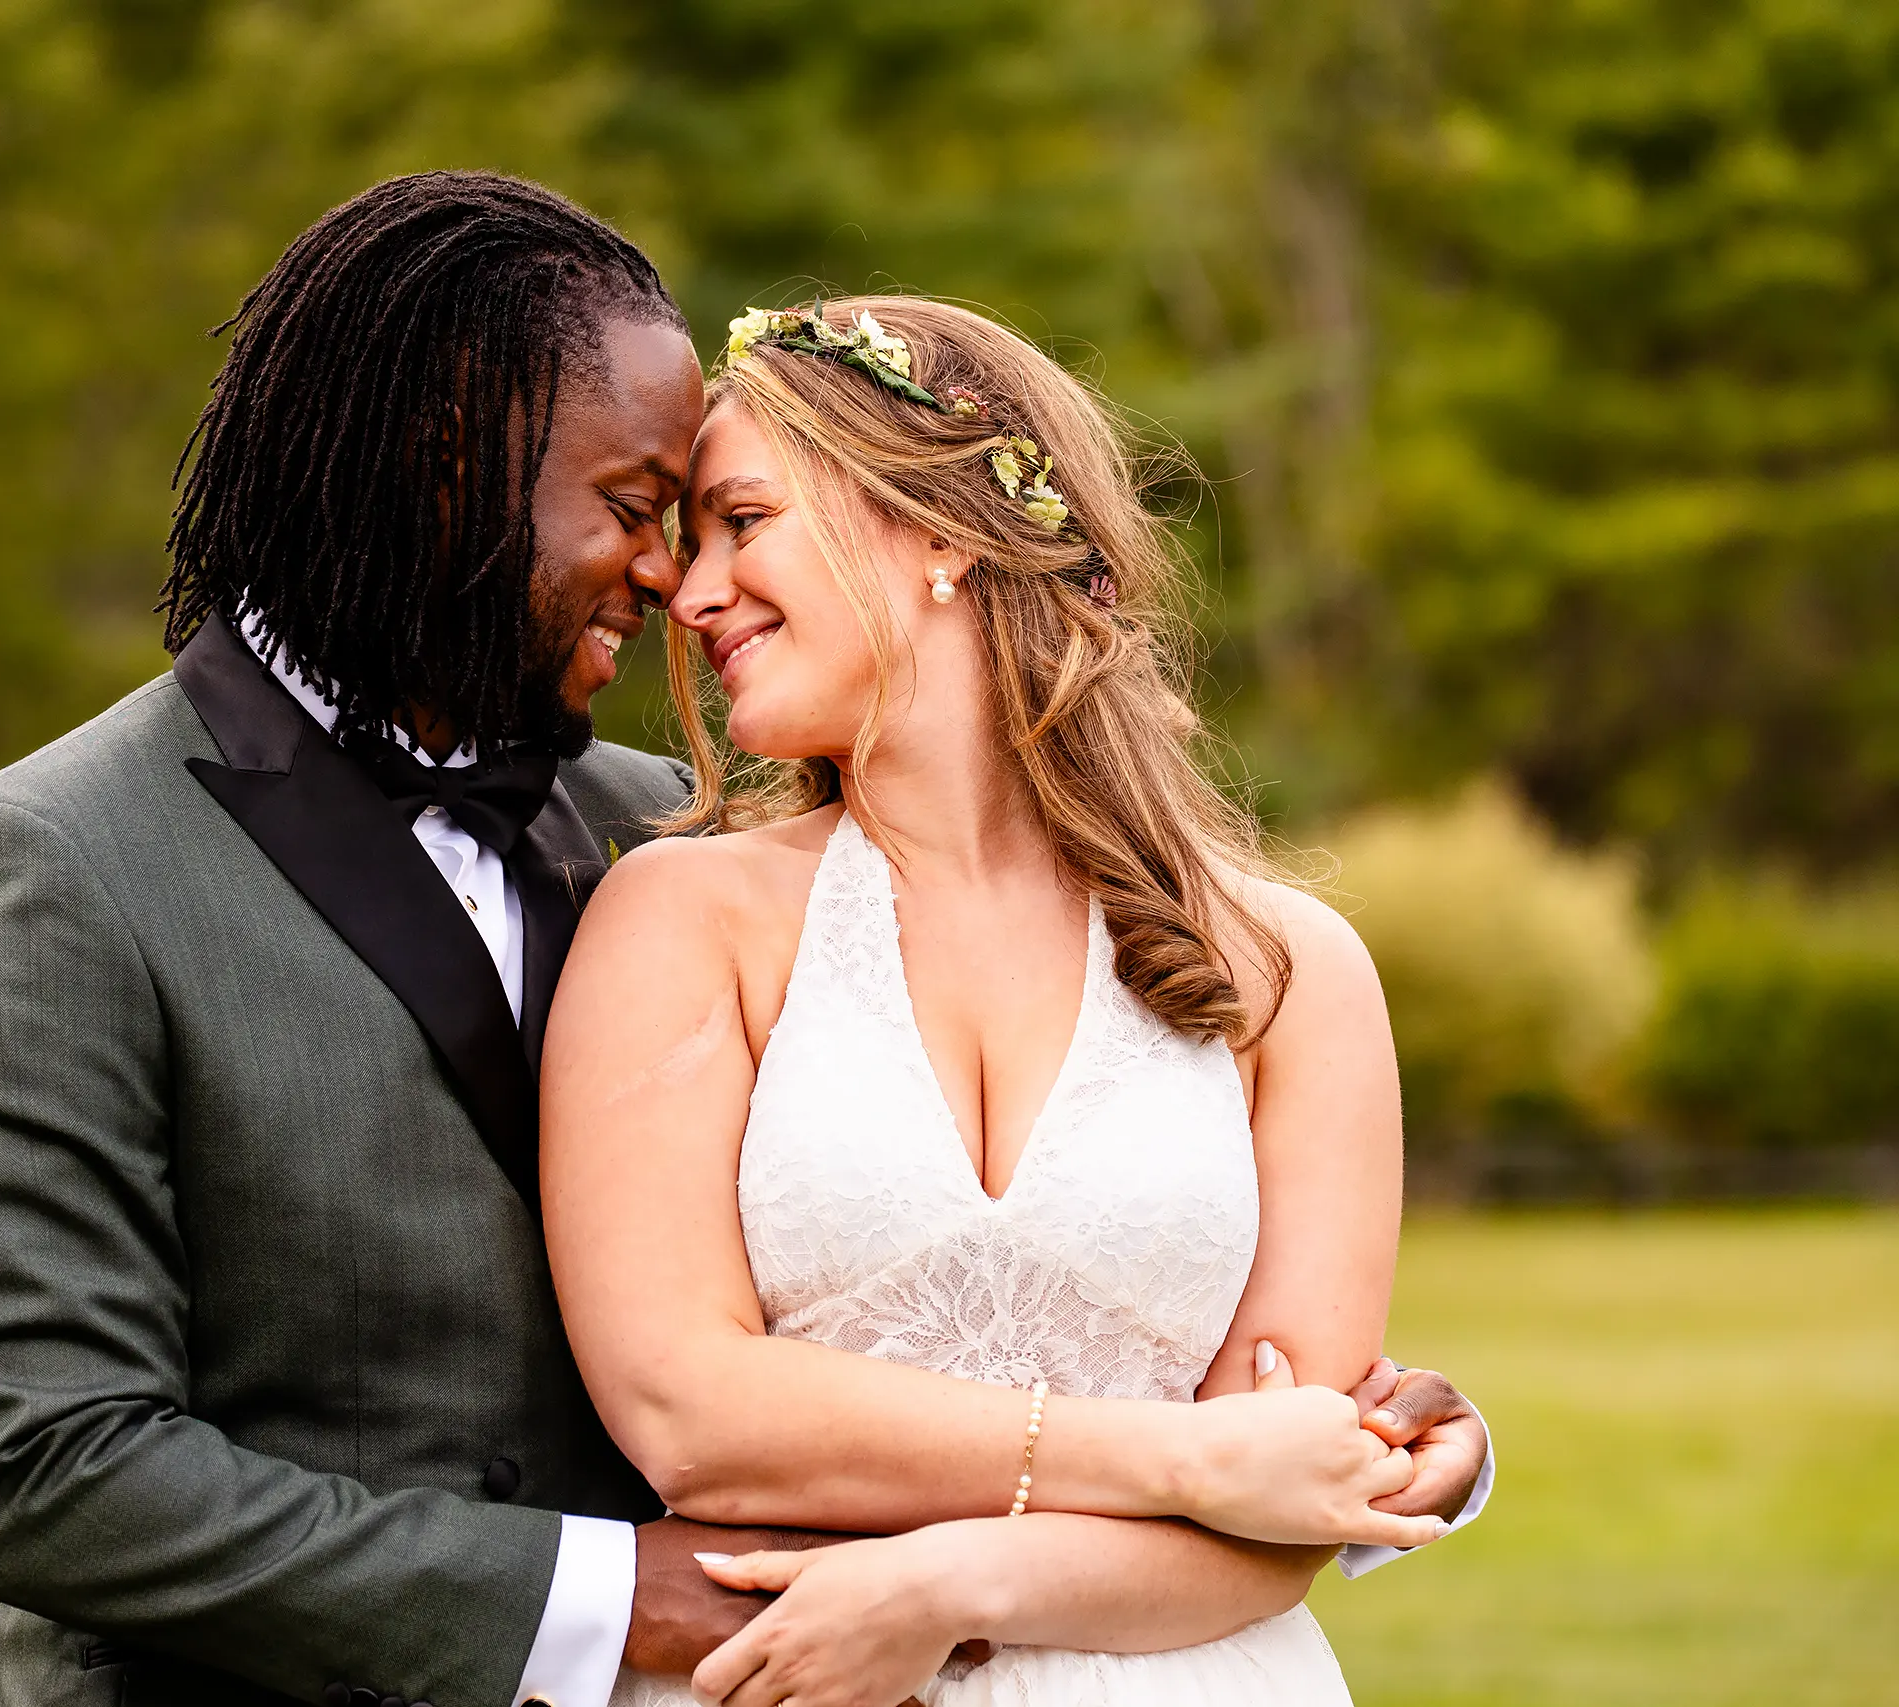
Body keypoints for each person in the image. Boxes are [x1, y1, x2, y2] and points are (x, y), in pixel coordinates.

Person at [0, 174, 1489, 1707]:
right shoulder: (54, 866)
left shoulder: (646, 822)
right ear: (454, 460)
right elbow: (43, 1467)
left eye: (716, 520)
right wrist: (605, 1599)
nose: (672, 581)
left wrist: (1361, 1438)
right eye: (642, 509)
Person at [540, 298, 1493, 1707]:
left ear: (942, 533)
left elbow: (1287, 1517)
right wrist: (1187, 1460)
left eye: (743, 521)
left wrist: (945, 1585)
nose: (691, 593)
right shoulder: (682, 920)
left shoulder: (1289, 971)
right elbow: (691, 1411)